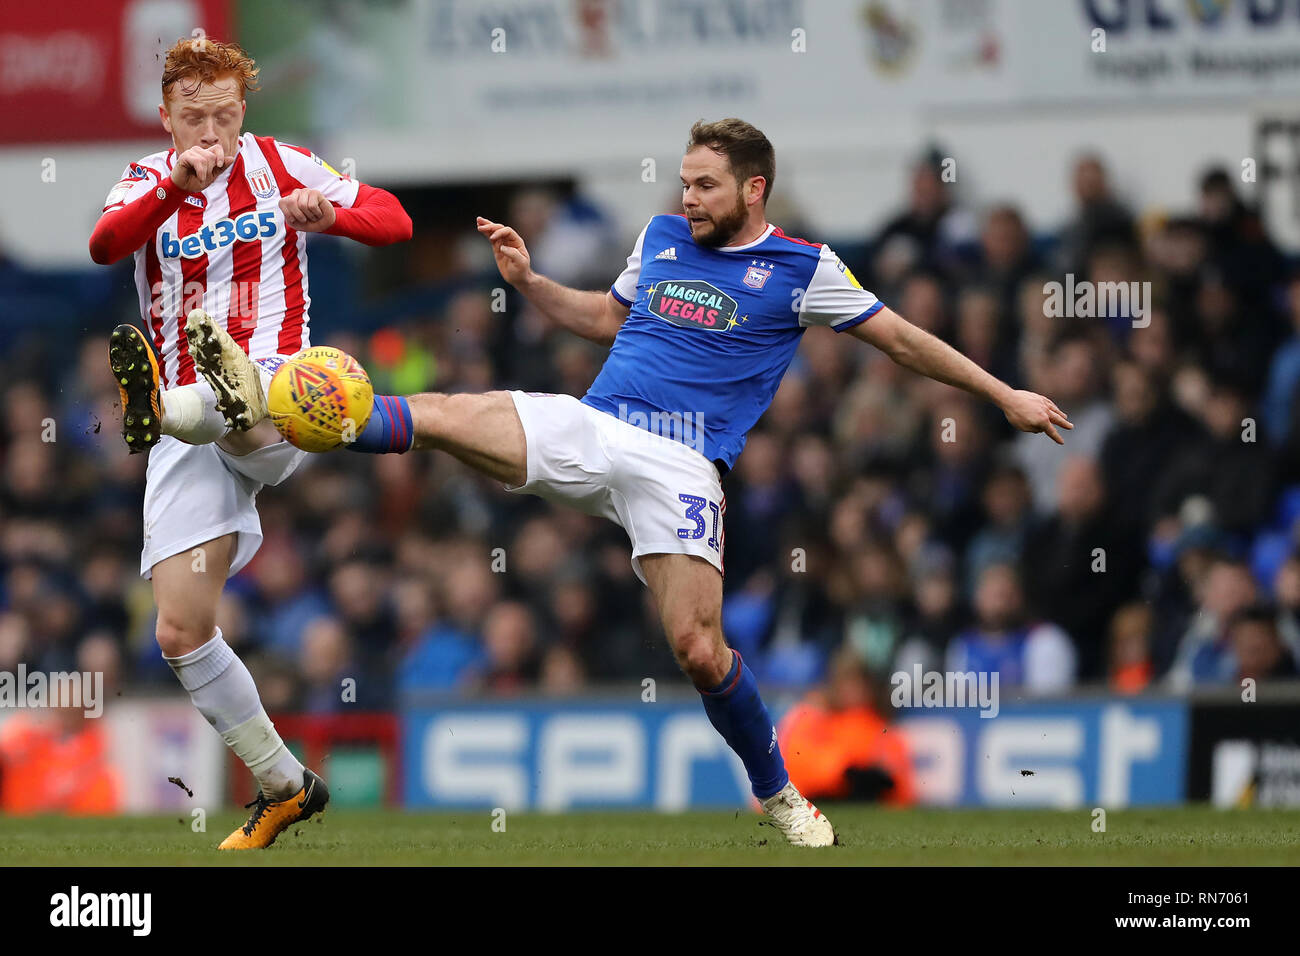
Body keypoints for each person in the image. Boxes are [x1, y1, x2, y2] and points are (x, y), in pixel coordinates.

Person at [195, 118, 1070, 846]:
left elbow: (905, 340)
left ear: (753, 190)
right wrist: (532, 283)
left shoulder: (806, 268)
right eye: (683, 184)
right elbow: (606, 319)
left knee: (698, 650)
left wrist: (1003, 395)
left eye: (704, 187)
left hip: (683, 463)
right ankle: (263, 411)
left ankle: (779, 795)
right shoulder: (659, 238)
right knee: (447, 415)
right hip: (598, 422)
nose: (685, 199)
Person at [87, 37, 411, 848]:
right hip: (195, 422)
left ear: (243, 113)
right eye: (191, 116)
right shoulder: (145, 179)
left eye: (223, 116)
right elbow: (105, 245)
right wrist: (173, 190)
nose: (208, 131)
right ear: (165, 117)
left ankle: (179, 403)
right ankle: (284, 781)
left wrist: (330, 214)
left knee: (247, 400)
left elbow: (397, 222)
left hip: (288, 386)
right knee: (178, 631)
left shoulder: (282, 162)